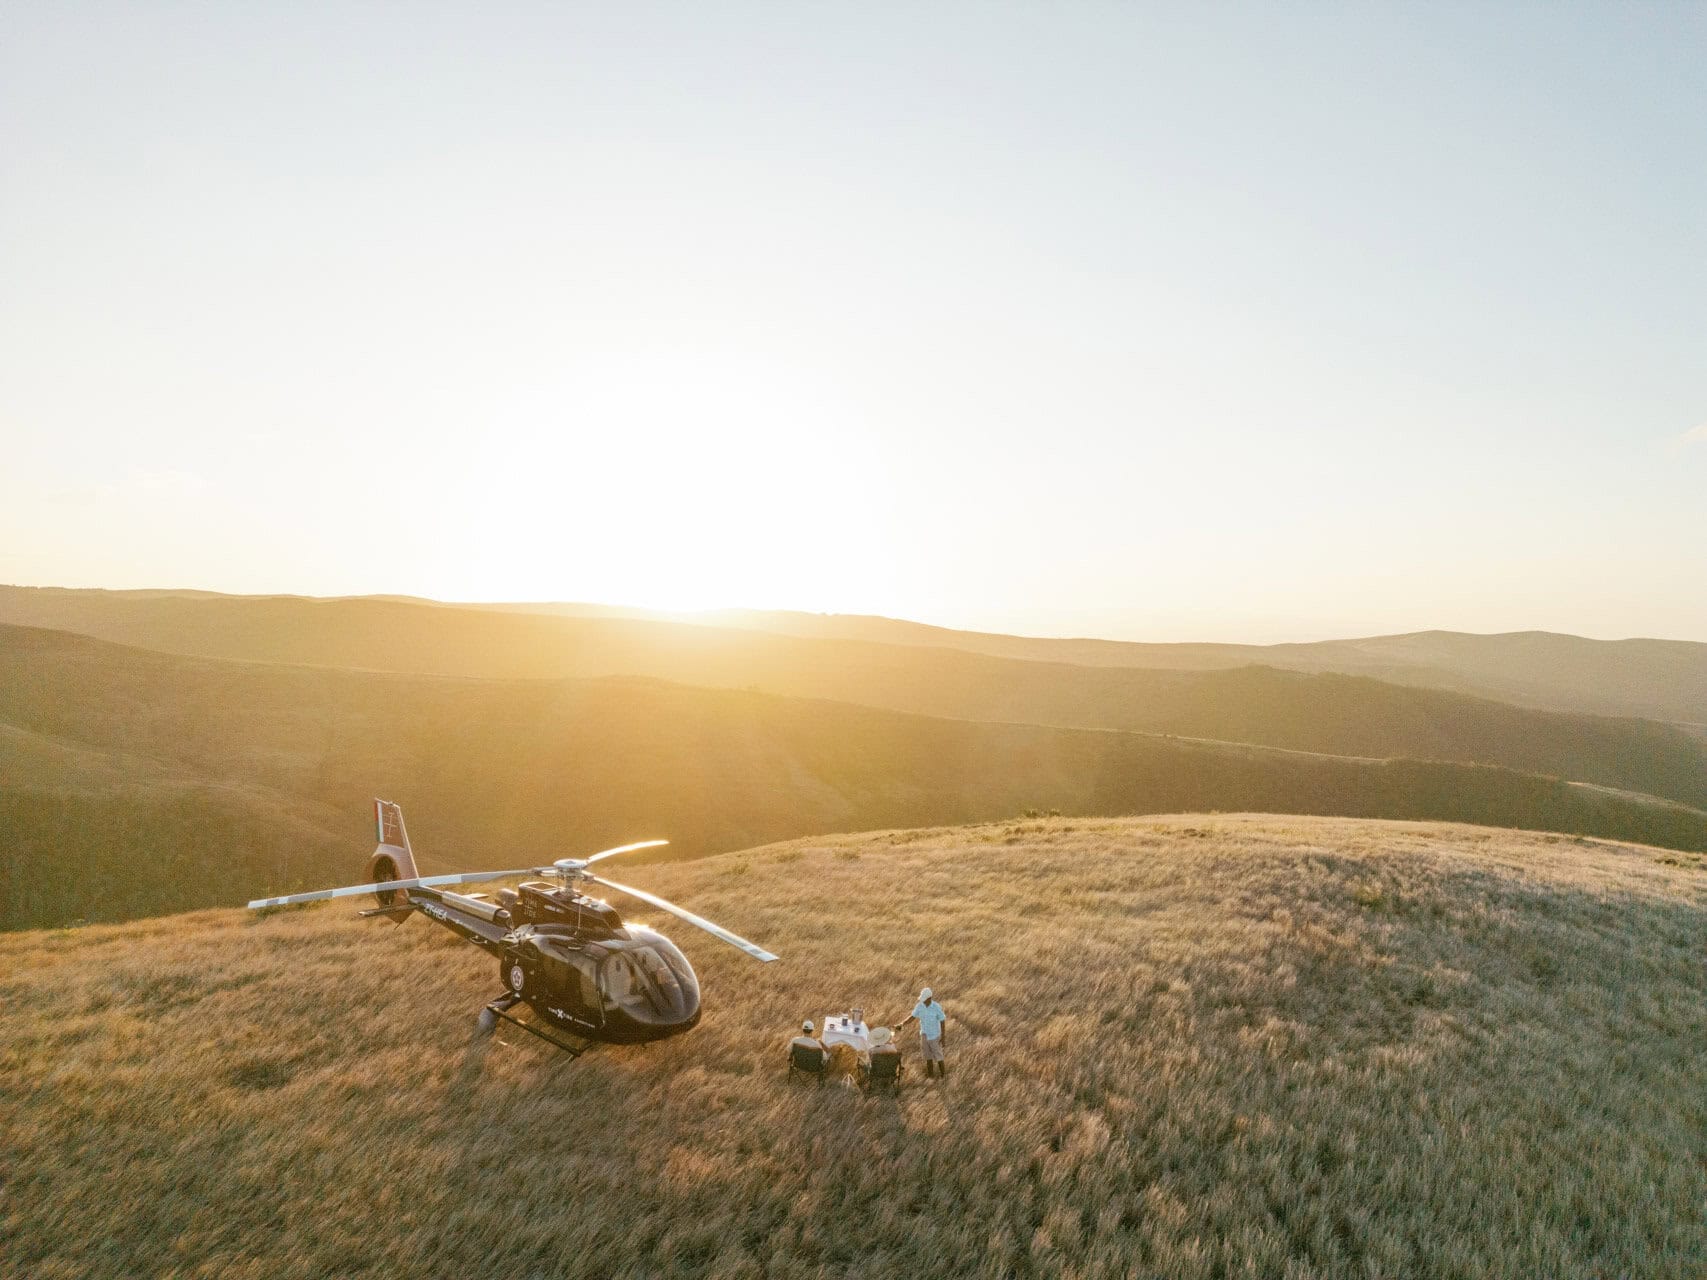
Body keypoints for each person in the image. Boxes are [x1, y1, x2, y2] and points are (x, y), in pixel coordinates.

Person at [897, 986, 948, 1078]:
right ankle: (931, 1076)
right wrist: (902, 1024)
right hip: (924, 1035)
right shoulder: (919, 1006)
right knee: (928, 1057)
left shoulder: (936, 1007)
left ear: (930, 998)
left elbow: (942, 1020)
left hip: (934, 1035)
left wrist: (943, 1037)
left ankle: (943, 1076)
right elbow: (912, 1017)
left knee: (939, 1056)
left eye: (924, 999)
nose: (923, 1001)